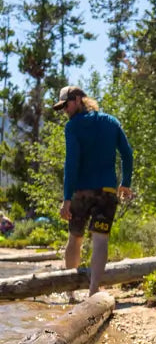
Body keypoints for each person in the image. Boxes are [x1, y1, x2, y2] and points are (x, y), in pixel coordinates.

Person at [53, 86, 133, 296]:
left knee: (75, 238)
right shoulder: (111, 122)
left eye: (66, 104)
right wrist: (125, 182)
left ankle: (70, 291)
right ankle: (93, 291)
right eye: (62, 107)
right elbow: (127, 154)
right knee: (100, 239)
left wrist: (67, 198)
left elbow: (71, 164)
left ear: (78, 99)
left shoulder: (73, 127)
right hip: (107, 192)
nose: (65, 110)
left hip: (81, 193)